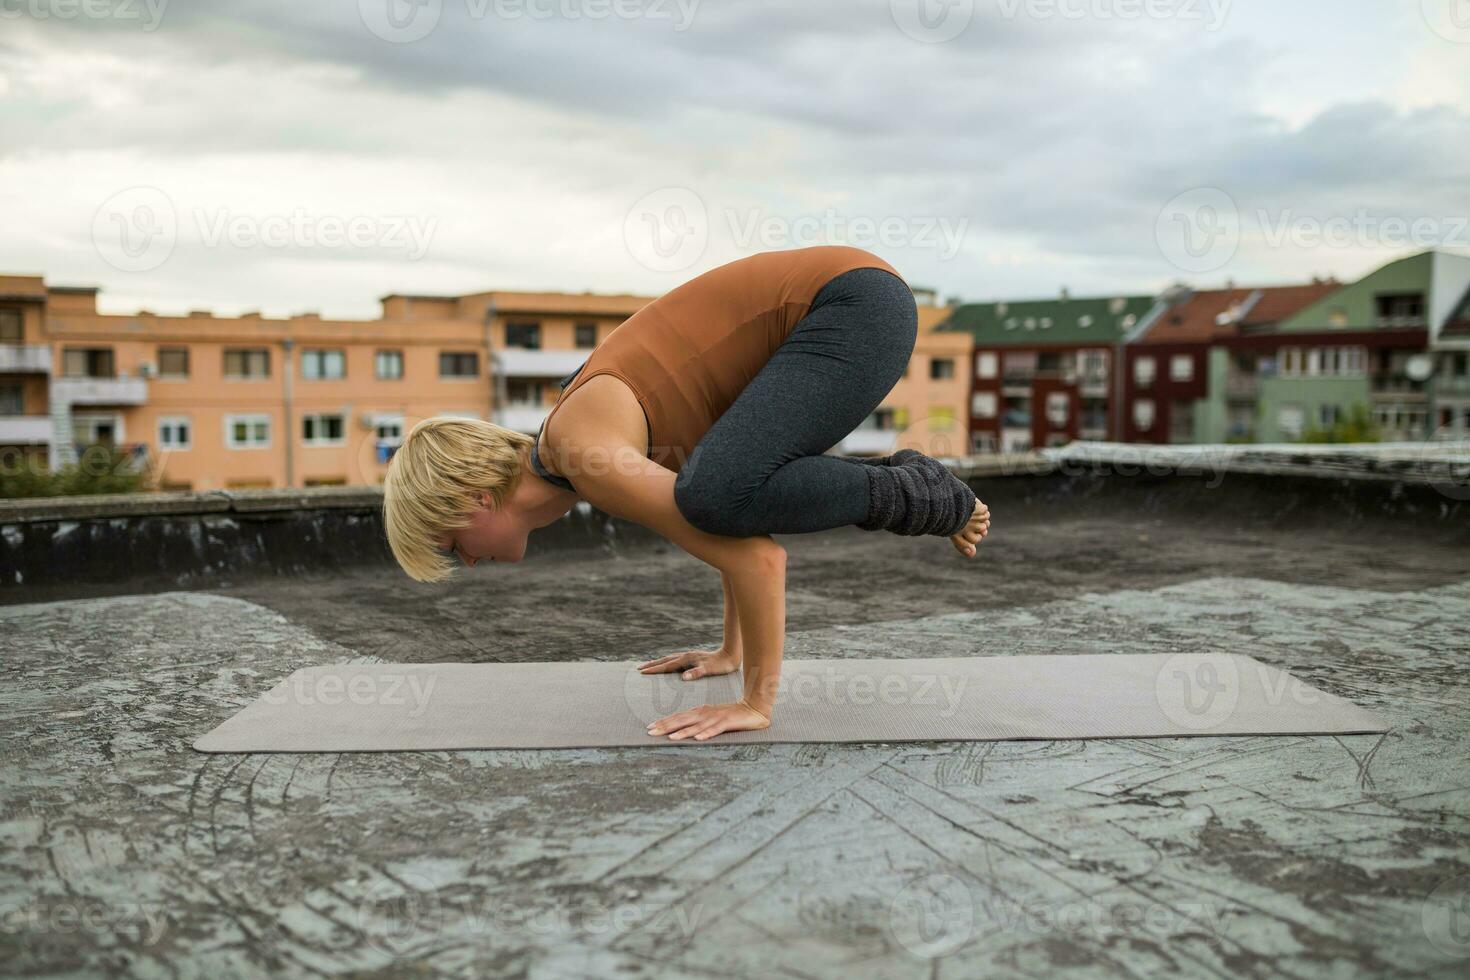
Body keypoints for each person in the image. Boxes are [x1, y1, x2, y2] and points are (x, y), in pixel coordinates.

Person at [382, 245, 991, 742]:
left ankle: (919, 492)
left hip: (851, 304)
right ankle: (912, 488)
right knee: (718, 487)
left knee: (715, 493)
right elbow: (728, 527)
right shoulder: (579, 445)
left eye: (449, 543)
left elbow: (758, 556)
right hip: (852, 297)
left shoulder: (583, 452)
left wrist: (755, 702)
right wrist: (731, 650)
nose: (462, 560)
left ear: (474, 500)